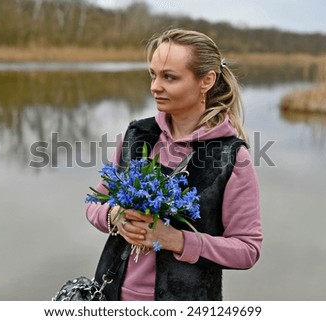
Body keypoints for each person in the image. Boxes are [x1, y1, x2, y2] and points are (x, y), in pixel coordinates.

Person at [86, 28, 262, 301]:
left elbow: (247, 249)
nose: (155, 86)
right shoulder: (137, 135)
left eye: (169, 77)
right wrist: (114, 217)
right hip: (109, 296)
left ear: (206, 81)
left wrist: (177, 240)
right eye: (153, 74)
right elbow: (94, 203)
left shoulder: (232, 156)